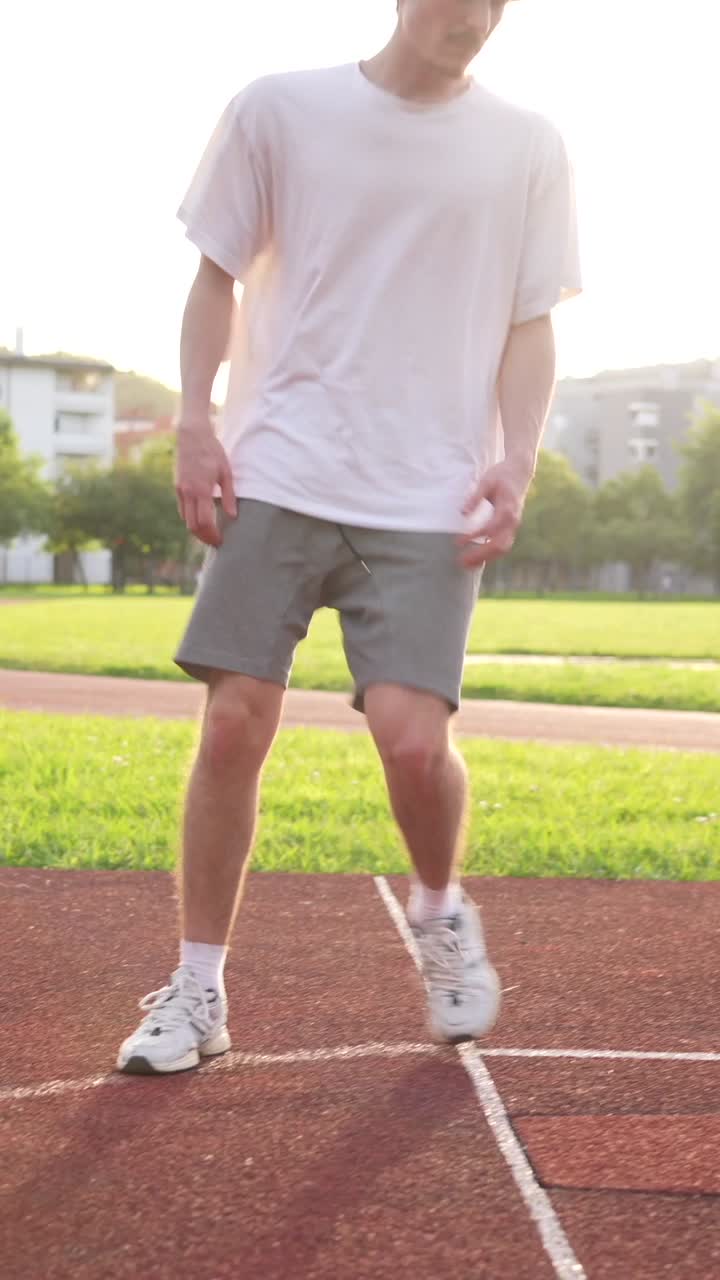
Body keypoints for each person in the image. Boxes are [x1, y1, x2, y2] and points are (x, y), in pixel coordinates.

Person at [117, 0, 582, 1074]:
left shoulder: (528, 144)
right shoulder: (279, 109)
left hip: (428, 491)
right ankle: (197, 987)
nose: (477, 14)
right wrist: (194, 419)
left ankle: (439, 909)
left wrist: (517, 459)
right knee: (232, 723)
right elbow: (216, 274)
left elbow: (532, 323)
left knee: (413, 740)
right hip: (279, 466)